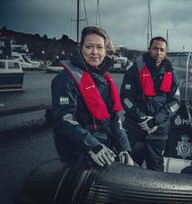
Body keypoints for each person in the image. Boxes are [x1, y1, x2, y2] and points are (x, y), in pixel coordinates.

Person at [51, 25, 133, 167]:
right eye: (89, 46)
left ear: (105, 50)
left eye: (99, 47)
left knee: (133, 169)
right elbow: (64, 119)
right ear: (80, 48)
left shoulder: (105, 80)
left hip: (105, 146)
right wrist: (91, 145)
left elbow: (114, 118)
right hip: (79, 151)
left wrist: (124, 149)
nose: (95, 52)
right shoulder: (64, 80)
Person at [120, 36, 180, 171]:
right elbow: (125, 98)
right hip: (135, 129)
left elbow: (175, 102)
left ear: (166, 52)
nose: (158, 53)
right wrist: (142, 118)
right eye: (155, 49)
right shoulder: (134, 70)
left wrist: (155, 121)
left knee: (156, 169)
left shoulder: (171, 74)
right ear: (149, 50)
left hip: (159, 131)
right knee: (130, 168)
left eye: (162, 50)